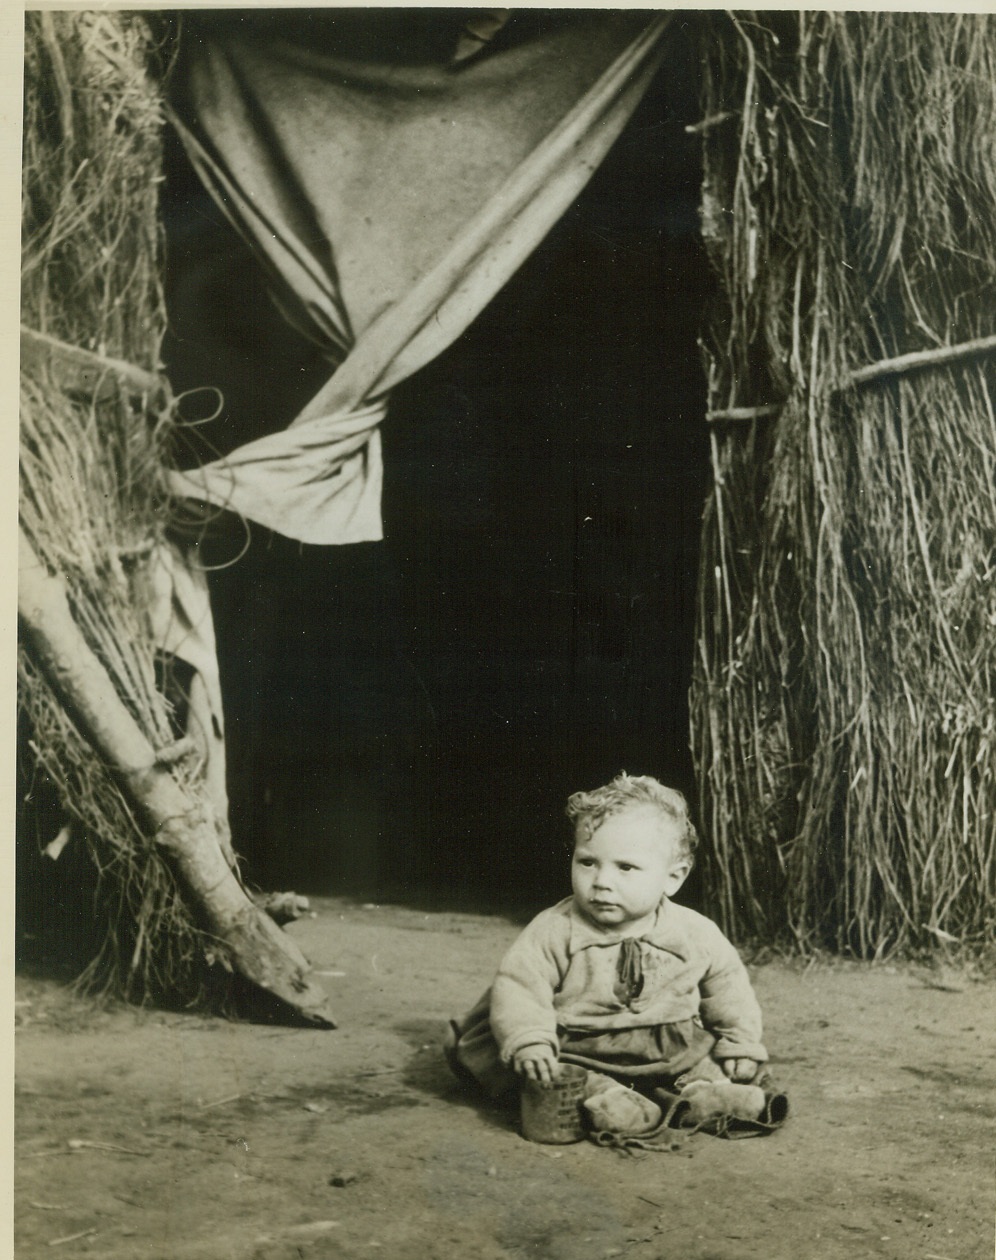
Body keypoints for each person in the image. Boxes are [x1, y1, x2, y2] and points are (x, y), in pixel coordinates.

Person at [446, 772, 768, 1109]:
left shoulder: (694, 933)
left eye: (625, 868)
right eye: (587, 862)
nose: (601, 882)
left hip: (669, 1047)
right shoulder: (556, 928)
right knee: (554, 1074)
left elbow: (729, 990)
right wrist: (531, 1040)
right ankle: (607, 1099)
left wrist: (740, 1043)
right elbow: (520, 986)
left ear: (673, 877)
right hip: (582, 1047)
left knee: (702, 1062)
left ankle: (704, 1092)